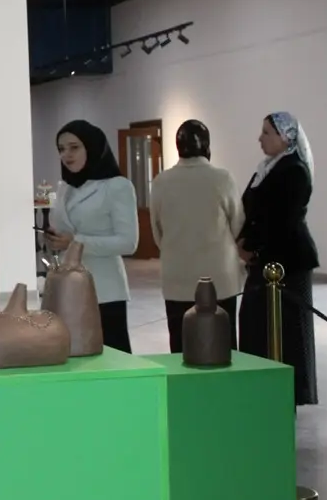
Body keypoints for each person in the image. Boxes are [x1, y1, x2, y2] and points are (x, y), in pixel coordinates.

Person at [237, 111, 321, 405]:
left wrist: (253, 247)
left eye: (267, 133)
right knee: (256, 325)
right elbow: (251, 211)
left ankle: (287, 393)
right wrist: (242, 241)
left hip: (288, 262)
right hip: (264, 261)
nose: (260, 138)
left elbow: (282, 220)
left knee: (287, 331)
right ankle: (262, 389)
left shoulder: (294, 170)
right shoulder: (267, 168)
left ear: (286, 137)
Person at [148, 120, 244, 353]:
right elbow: (238, 225)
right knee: (223, 345)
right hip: (219, 277)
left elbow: (157, 232)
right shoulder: (222, 178)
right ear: (207, 146)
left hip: (177, 276)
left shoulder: (161, 181)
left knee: (181, 345)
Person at [45, 119, 139, 352]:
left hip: (104, 289)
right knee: (73, 353)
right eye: (61, 149)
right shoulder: (65, 187)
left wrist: (75, 242)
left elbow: (128, 242)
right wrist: (56, 239)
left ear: (92, 147)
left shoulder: (117, 186)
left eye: (74, 147)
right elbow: (64, 228)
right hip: (68, 286)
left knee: (111, 355)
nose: (66, 155)